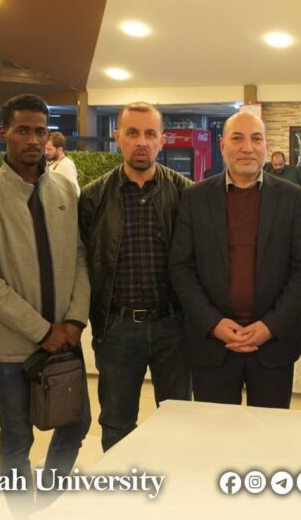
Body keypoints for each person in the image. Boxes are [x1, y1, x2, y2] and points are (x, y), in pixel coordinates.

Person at [0, 94, 91, 509]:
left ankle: (47, 504)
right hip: (10, 347)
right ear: (3, 133)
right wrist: (41, 330)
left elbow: (80, 257)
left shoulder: (65, 189)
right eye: (22, 130)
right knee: (17, 436)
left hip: (65, 340)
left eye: (40, 131)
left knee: (76, 424)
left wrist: (74, 320)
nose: (33, 139)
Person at [169, 112, 301, 408]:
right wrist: (214, 323)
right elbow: (181, 267)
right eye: (237, 138)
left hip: (272, 346)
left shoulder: (292, 197)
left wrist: (270, 326)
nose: (247, 148)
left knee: (269, 432)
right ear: (223, 146)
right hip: (213, 345)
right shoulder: (194, 197)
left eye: (256, 139)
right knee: (217, 434)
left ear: (266, 146)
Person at [80, 102, 192, 452]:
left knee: (178, 422)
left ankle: (174, 484)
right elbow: (82, 263)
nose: (141, 141)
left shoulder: (186, 194)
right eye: (132, 133)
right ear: (118, 138)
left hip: (173, 327)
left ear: (162, 140)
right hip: (117, 328)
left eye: (149, 134)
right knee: (116, 423)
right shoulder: (93, 197)